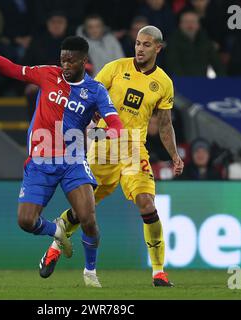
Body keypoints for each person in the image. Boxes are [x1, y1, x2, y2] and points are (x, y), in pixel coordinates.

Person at [0, 31, 124, 287]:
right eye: (62, 60)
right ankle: (57, 231)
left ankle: (90, 273)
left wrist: (99, 133)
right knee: (25, 221)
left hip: (72, 161)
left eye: (71, 61)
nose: (65, 65)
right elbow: (10, 68)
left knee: (88, 218)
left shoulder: (95, 90)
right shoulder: (47, 74)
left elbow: (116, 125)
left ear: (83, 61)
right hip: (40, 162)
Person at [39, 26, 184, 287]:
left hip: (133, 148)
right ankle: (54, 247)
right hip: (103, 143)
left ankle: (159, 272)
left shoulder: (164, 83)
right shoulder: (115, 68)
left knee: (147, 204)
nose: (140, 48)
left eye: (146, 44)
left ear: (158, 48)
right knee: (83, 209)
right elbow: (85, 94)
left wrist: (174, 155)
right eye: (138, 43)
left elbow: (164, 124)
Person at [165, 9, 225, 76]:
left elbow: (217, 64)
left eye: (193, 22)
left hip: (202, 82)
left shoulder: (206, 42)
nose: (190, 25)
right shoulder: (172, 43)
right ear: (180, 25)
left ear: (198, 25)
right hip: (180, 83)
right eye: (186, 22)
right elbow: (173, 66)